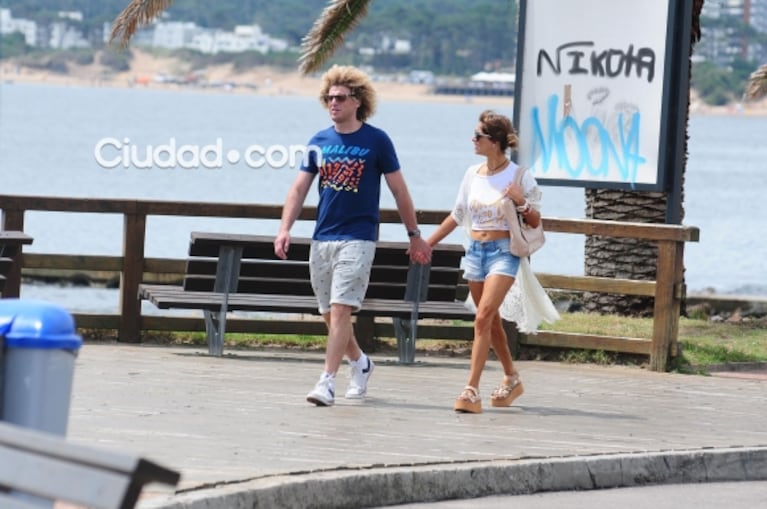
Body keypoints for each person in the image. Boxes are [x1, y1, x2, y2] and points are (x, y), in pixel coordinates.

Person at [274, 65, 432, 407]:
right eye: (329, 98)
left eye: (340, 98)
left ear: (358, 101)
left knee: (341, 311)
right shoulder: (319, 141)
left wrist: (414, 234)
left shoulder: (376, 140)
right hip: (323, 237)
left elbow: (399, 191)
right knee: (329, 315)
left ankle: (326, 381)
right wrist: (285, 228)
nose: (333, 103)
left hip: (359, 237)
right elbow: (298, 189)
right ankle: (361, 363)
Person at [425, 110, 543, 414]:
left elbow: (534, 220)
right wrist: (427, 243)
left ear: (495, 142)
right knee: (489, 322)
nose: (473, 140)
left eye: (478, 136)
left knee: (482, 317)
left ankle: (471, 390)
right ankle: (512, 378)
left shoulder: (519, 176)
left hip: (504, 251)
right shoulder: (472, 174)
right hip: (475, 252)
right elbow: (457, 215)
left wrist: (520, 199)